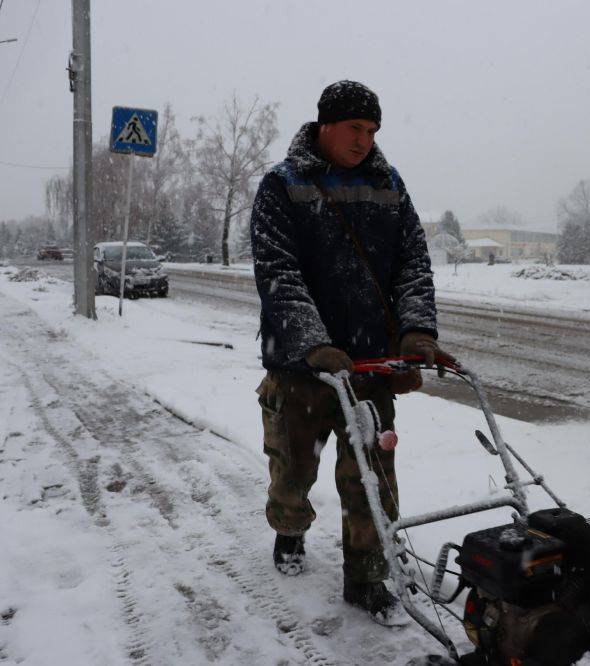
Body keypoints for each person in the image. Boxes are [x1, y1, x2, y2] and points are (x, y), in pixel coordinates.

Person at [249, 80, 452, 625]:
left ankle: (366, 576)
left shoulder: (388, 185)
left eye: (373, 131)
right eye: (355, 128)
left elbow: (413, 262)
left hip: (369, 367)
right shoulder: (282, 186)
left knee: (372, 476)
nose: (365, 141)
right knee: (293, 468)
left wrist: (415, 331)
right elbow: (279, 273)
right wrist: (314, 342)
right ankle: (289, 531)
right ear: (325, 126)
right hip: (299, 366)